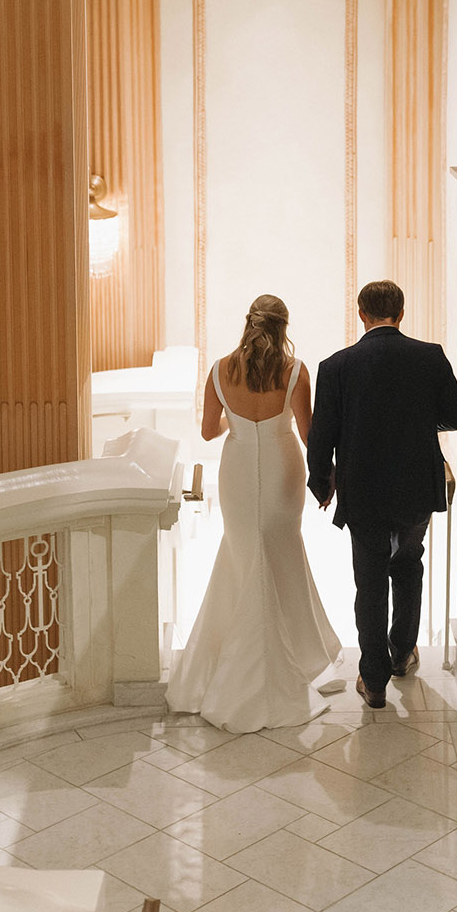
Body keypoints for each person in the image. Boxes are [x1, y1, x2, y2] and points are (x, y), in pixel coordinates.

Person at [166, 294, 340, 733]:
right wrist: (329, 477)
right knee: (280, 554)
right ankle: (295, 658)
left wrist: (235, 421)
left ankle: (233, 664)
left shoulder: (220, 371)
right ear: (284, 328)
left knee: (243, 556)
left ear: (248, 323)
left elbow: (208, 431)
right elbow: (307, 433)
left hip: (239, 469)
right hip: (282, 467)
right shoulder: (295, 372)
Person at [306, 279, 457, 709]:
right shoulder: (429, 357)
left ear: (361, 313)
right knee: (408, 564)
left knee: (370, 581)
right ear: (401, 313)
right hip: (417, 486)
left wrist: (321, 483)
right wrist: (419, 420)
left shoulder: (336, 366)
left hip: (362, 492)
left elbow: (321, 437)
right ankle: (402, 654)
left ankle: (373, 680)